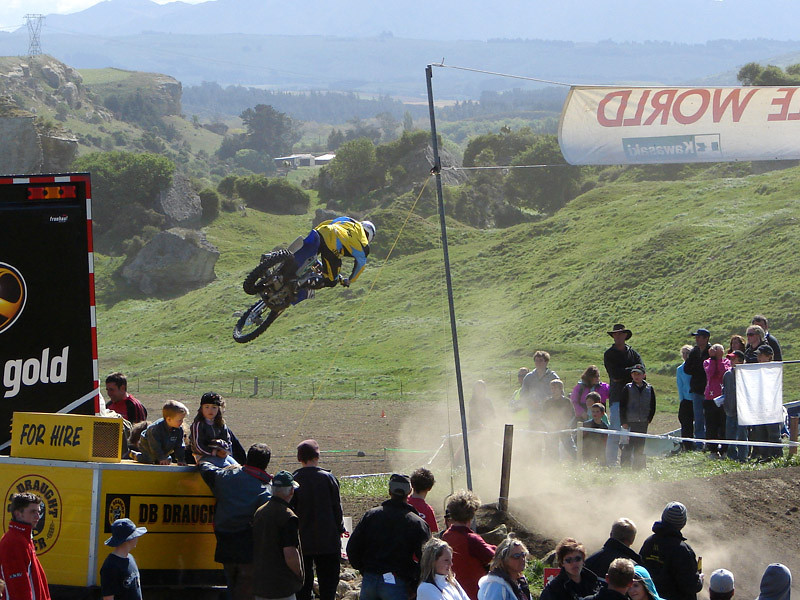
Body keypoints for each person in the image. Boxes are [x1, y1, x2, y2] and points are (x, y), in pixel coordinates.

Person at [200, 443, 273, 600]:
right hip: (248, 545)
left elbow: (205, 468)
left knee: (231, 583)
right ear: (266, 463)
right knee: (245, 587)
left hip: (224, 539)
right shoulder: (265, 490)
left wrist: (210, 456)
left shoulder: (226, 477)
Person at [347, 474, 431, 600]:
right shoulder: (417, 523)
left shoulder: (371, 516)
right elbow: (427, 559)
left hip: (370, 580)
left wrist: (365, 570)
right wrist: (415, 585)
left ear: (389, 491)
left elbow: (352, 548)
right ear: (409, 492)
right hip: (398, 582)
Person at [291, 439, 346, 600]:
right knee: (328, 587)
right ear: (317, 456)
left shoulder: (294, 480)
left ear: (299, 458)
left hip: (302, 543)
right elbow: (337, 509)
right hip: (328, 541)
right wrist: (340, 528)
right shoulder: (328, 478)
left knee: (303, 588)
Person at [286, 217, 376, 303]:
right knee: (331, 280)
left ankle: (284, 265)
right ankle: (298, 283)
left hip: (322, 231)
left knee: (308, 258)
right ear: (369, 237)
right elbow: (360, 266)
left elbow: (330, 222)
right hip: (332, 245)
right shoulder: (364, 245)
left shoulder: (350, 221)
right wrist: (349, 280)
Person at [252, 471, 305, 600]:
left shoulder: (260, 512)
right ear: (291, 490)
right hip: (281, 586)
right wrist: (299, 573)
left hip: (260, 583)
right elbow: (290, 553)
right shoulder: (288, 516)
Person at [639, 501, 703, 600]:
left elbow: (640, 572)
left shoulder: (649, 542)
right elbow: (691, 586)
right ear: (683, 523)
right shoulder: (683, 550)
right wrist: (700, 580)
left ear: (663, 517)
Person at [441, 490, 496, 600]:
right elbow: (494, 557)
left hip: (452, 592)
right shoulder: (471, 539)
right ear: (471, 515)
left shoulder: (446, 536)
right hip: (473, 593)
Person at [603, 324, 643, 467]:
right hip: (617, 398)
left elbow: (641, 371)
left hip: (633, 398)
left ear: (625, 335)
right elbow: (615, 376)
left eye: (620, 334)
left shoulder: (633, 353)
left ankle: (630, 462)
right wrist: (632, 372)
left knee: (632, 431)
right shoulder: (609, 354)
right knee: (615, 431)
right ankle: (611, 462)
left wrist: (630, 372)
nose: (618, 336)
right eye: (616, 334)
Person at [0, 493, 51, 600]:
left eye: (38, 512)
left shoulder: (23, 539)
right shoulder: (14, 542)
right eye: (33, 512)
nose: (37, 516)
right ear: (18, 514)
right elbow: (17, 588)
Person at [100, 518, 147, 600]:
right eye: (135, 535)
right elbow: (108, 598)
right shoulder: (110, 566)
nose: (137, 538)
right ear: (128, 539)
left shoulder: (131, 558)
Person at [620, 365, 655, 470]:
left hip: (643, 422)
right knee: (627, 446)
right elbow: (622, 406)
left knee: (640, 446)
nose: (636, 376)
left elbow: (652, 405)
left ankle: (638, 468)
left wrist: (649, 418)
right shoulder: (627, 388)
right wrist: (624, 421)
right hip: (630, 422)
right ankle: (625, 467)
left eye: (639, 374)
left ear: (644, 375)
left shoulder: (649, 388)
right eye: (634, 374)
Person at [190, 392, 239, 467]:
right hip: (203, 456)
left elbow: (228, 441)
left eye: (214, 407)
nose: (210, 410)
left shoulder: (221, 424)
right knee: (226, 467)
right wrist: (215, 453)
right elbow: (198, 446)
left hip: (221, 455)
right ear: (201, 409)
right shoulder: (198, 425)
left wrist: (225, 451)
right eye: (207, 407)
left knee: (237, 467)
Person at [752, 345, 783, 461]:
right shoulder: (756, 370)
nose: (759, 357)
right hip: (759, 405)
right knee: (760, 431)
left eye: (761, 355)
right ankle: (764, 455)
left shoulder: (774, 369)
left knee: (773, 432)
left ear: (769, 357)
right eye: (758, 355)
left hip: (771, 406)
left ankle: (776, 456)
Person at [134, 400, 188, 465]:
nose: (182, 422)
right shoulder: (155, 429)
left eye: (182, 419)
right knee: (150, 459)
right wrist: (161, 458)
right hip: (148, 445)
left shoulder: (179, 429)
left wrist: (181, 459)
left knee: (168, 459)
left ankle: (161, 458)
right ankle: (136, 456)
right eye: (179, 420)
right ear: (169, 419)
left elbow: (179, 445)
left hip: (165, 446)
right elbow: (155, 446)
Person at [685, 328, 711, 450]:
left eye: (699, 337)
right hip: (696, 389)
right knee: (698, 418)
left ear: (706, 338)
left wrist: (698, 368)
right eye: (696, 337)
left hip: (709, 390)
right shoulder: (694, 352)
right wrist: (699, 368)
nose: (697, 339)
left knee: (710, 417)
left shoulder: (711, 351)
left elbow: (708, 370)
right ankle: (700, 443)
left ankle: (710, 442)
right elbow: (687, 369)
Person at [703, 344, 730, 458]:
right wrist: (713, 359)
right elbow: (710, 373)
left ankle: (725, 449)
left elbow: (722, 373)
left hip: (723, 398)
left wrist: (719, 360)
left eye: (718, 351)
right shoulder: (707, 362)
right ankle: (713, 450)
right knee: (711, 425)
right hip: (710, 398)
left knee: (723, 424)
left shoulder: (727, 362)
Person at [721, 351, 748, 462]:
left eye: (734, 359)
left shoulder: (746, 373)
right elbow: (724, 390)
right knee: (730, 434)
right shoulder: (727, 374)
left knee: (742, 434)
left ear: (741, 360)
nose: (731, 361)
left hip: (742, 410)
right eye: (731, 359)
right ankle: (732, 456)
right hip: (730, 409)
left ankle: (742, 457)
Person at [520, 351, 559, 422]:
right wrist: (530, 401)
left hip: (549, 412)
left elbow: (560, 394)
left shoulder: (553, 377)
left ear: (546, 362)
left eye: (541, 360)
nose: (538, 363)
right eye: (536, 361)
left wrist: (548, 401)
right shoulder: (529, 377)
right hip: (533, 412)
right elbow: (523, 394)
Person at [542, 379, 576, 459]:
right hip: (552, 430)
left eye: (556, 388)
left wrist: (567, 425)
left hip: (564, 429)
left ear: (561, 389)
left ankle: (578, 465)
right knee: (552, 450)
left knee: (571, 449)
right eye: (552, 388)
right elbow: (543, 417)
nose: (553, 390)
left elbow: (572, 415)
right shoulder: (547, 402)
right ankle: (554, 467)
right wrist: (549, 425)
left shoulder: (567, 401)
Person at [408, 467, 439, 533]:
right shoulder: (428, 510)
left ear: (412, 485)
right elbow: (433, 532)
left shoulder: (403, 502)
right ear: (429, 488)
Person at [676, 345, 695, 451]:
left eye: (687, 353)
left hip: (696, 398)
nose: (685, 355)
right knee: (685, 422)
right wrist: (682, 399)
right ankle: (686, 445)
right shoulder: (680, 369)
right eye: (683, 353)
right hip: (686, 399)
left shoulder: (695, 366)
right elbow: (680, 385)